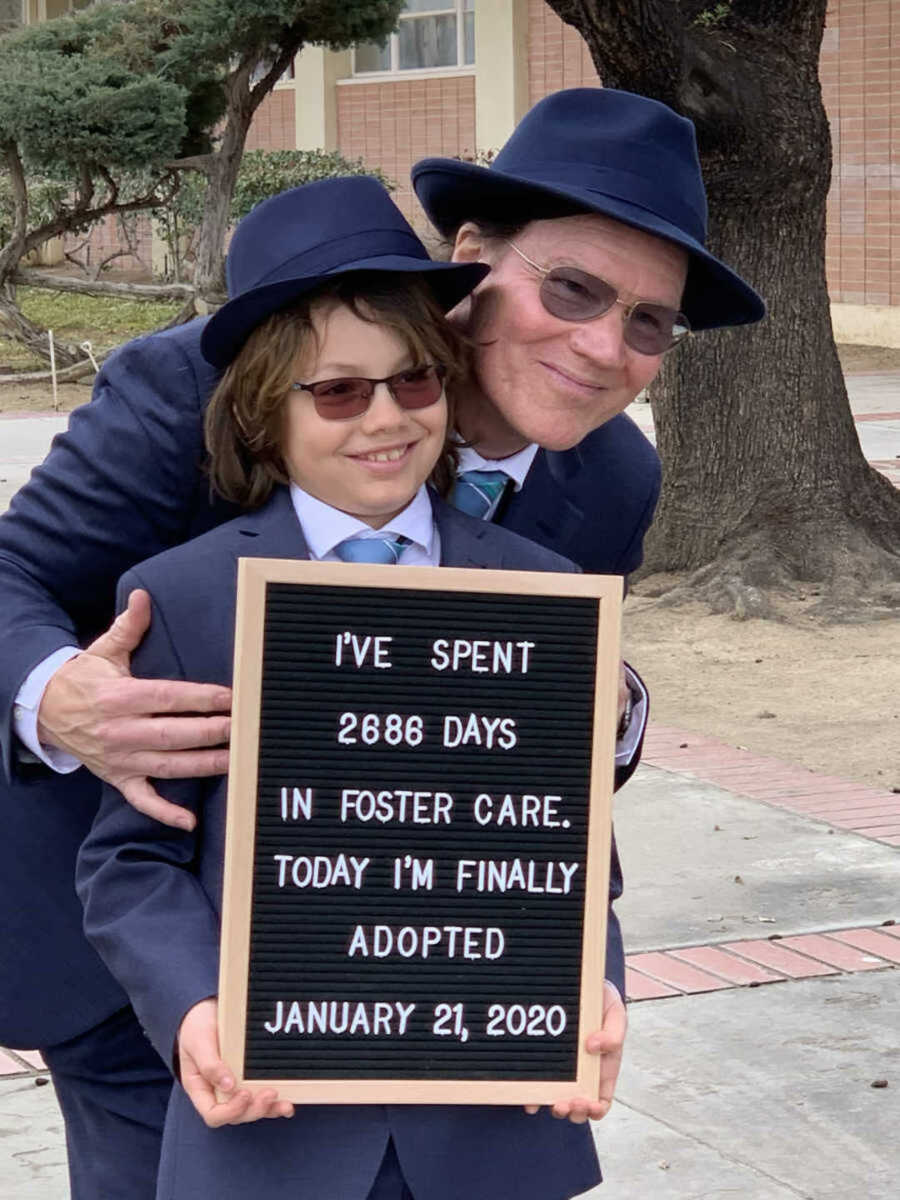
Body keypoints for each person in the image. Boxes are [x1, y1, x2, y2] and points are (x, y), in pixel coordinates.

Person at [0, 88, 763, 1197]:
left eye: (649, 320)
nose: (604, 346)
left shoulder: (611, 479)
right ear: (470, 261)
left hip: (406, 977)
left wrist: (614, 706)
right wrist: (54, 695)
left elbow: (537, 760)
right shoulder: (207, 386)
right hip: (136, 955)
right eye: (573, 288)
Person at [76, 174, 616, 1200]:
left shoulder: (537, 593)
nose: (385, 418)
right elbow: (132, 862)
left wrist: (598, 989)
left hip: (492, 1131)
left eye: (414, 381)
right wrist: (195, 1007)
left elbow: (574, 852)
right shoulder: (183, 598)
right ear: (262, 413)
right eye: (338, 391)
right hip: (269, 1131)